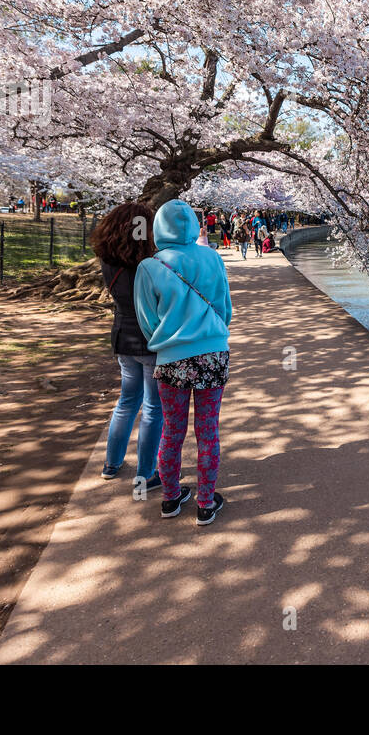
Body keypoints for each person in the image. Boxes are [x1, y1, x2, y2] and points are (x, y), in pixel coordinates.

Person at [134, 199, 233, 526]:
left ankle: (171, 498)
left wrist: (166, 338)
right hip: (212, 354)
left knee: (172, 431)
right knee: (207, 431)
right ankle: (206, 503)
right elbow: (224, 306)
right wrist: (212, 333)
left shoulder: (149, 267)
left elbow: (146, 319)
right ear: (193, 225)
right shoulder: (212, 257)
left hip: (171, 359)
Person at [91, 202, 164, 492]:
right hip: (152, 341)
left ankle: (111, 463)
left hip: (123, 337)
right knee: (152, 407)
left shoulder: (108, 263)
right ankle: (146, 472)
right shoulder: (154, 264)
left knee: (126, 402)